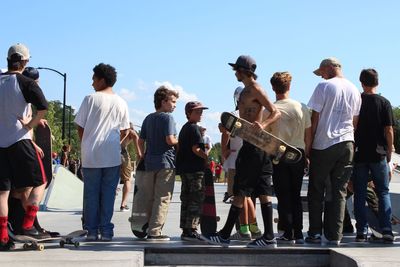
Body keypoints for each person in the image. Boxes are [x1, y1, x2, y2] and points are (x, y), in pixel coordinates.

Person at [202, 55, 280, 248]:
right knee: (263, 191)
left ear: (243, 71)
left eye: (236, 69)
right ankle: (269, 236)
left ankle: (225, 234)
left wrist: (262, 124)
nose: (234, 73)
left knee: (240, 191)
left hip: (254, 146)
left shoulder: (255, 89)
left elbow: (276, 112)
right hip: (255, 146)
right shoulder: (246, 90)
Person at [306, 57, 361, 245]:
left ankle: (314, 232)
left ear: (329, 68)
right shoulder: (354, 89)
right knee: (339, 191)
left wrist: (308, 146)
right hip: (347, 143)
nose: (321, 76)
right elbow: (355, 122)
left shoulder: (324, 87)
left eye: (321, 72)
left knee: (316, 189)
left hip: (324, 143)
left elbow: (314, 119)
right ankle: (334, 235)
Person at [0, 43, 49, 250]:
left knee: (2, 192)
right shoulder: (26, 82)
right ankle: (28, 224)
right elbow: (43, 107)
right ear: (25, 62)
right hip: (19, 141)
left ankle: (3, 237)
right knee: (41, 181)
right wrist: (30, 124)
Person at [74, 63, 130, 242]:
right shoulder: (122, 102)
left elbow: (80, 126)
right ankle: (106, 230)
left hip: (91, 154)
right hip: (112, 155)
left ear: (101, 80)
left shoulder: (90, 99)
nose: (92, 83)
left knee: (91, 194)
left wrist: (86, 142)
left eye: (93, 79)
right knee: (108, 194)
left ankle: (91, 230)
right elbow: (125, 130)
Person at [266, 71, 312, 244]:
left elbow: (267, 138)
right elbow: (308, 135)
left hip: (280, 153)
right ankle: (299, 232)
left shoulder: (270, 110)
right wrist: (307, 154)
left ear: (273, 87)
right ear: (289, 86)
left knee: (283, 195)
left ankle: (287, 231)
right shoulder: (302, 107)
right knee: (296, 194)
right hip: (298, 153)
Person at [352, 69, 395, 243]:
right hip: (379, 153)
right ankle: (386, 230)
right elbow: (389, 130)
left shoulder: (357, 101)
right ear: (377, 83)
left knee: (360, 193)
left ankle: (361, 231)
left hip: (360, 152)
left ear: (361, 83)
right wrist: (390, 151)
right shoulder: (384, 102)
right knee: (383, 191)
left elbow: (352, 126)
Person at [136, 86, 179, 241]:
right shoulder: (168, 118)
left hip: (149, 163)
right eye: (173, 102)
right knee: (162, 198)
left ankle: (147, 226)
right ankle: (155, 231)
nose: (175, 105)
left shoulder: (148, 118)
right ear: (163, 101)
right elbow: (170, 140)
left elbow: (140, 141)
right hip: (165, 163)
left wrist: (142, 155)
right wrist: (180, 141)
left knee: (150, 197)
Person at [220, 86, 262, 241]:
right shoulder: (257, 115)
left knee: (239, 196)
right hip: (253, 161)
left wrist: (224, 151)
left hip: (236, 160)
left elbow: (225, 132)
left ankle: (244, 230)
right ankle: (254, 227)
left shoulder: (234, 115)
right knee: (248, 196)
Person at [176, 101, 209, 241]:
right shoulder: (194, 128)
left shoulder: (184, 128)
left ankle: (185, 229)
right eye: (197, 112)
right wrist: (206, 156)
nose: (200, 114)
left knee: (186, 198)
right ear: (189, 113)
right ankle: (192, 229)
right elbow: (195, 149)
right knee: (196, 199)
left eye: (201, 111)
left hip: (185, 169)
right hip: (195, 170)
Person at [119, 122, 140, 212]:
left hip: (111, 152)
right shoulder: (132, 133)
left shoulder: (116, 130)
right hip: (123, 154)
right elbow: (138, 152)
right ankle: (123, 204)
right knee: (127, 179)